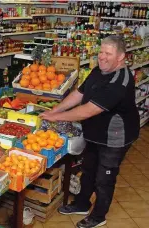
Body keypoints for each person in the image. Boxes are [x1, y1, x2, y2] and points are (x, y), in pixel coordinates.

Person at [40, 35, 140, 228]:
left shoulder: (120, 81)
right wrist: (54, 110)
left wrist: (57, 117)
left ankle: (98, 216)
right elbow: (80, 94)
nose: (102, 56)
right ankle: (81, 204)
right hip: (95, 131)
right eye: (101, 51)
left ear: (121, 57)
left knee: (104, 178)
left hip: (115, 137)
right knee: (88, 170)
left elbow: (89, 109)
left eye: (108, 53)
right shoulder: (98, 70)